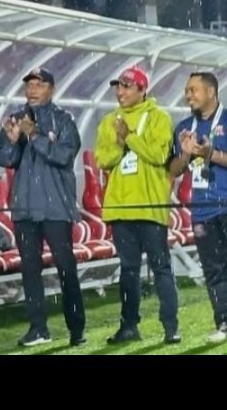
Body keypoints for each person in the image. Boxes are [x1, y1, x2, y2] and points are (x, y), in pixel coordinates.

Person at [0, 66, 86, 347]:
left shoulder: (64, 120)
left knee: (66, 268)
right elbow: (3, 158)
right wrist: (11, 141)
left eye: (39, 84)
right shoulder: (16, 119)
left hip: (56, 208)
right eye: (29, 84)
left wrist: (34, 136)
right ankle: (38, 329)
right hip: (25, 210)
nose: (32, 89)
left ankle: (76, 329)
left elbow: (64, 155)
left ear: (51, 89)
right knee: (30, 270)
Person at [95, 65, 179, 345]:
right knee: (128, 270)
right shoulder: (109, 120)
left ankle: (171, 326)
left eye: (127, 86)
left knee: (161, 268)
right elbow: (103, 159)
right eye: (118, 86)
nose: (120, 91)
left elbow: (158, 155)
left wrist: (128, 137)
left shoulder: (160, 117)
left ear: (143, 89)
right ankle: (129, 326)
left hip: (151, 205)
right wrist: (120, 144)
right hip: (120, 208)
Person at [169, 72, 227, 343]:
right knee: (214, 270)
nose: (188, 95)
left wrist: (209, 154)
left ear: (211, 92)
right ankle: (224, 322)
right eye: (186, 90)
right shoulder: (183, 127)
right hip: (202, 210)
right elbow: (173, 169)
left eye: (193, 90)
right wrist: (185, 154)